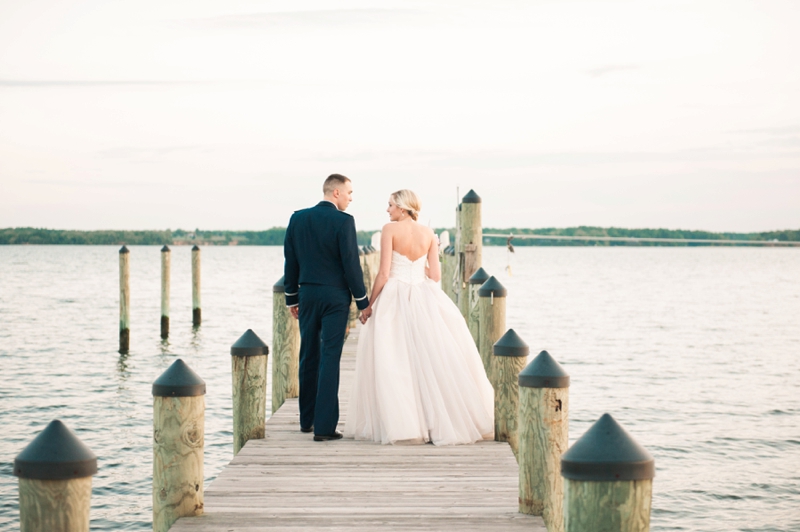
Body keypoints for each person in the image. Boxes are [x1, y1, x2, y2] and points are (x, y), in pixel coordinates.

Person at [344, 190, 494, 445]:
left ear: (402, 208)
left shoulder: (390, 229)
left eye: (390, 205)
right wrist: (415, 266)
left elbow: (382, 273)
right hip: (424, 295)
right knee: (429, 357)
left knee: (396, 359)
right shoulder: (427, 233)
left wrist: (368, 305)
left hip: (394, 295)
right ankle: (437, 421)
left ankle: (406, 424)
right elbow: (435, 275)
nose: (387, 210)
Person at [284, 174, 370, 442]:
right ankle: (324, 427)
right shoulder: (344, 221)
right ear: (335, 192)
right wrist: (363, 301)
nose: (351, 198)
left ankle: (306, 420)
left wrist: (291, 297)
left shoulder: (297, 218)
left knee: (308, 353)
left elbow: (291, 259)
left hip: (307, 294)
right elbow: (351, 265)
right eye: (349, 192)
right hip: (335, 298)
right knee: (330, 357)